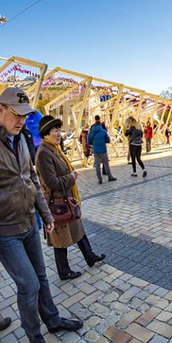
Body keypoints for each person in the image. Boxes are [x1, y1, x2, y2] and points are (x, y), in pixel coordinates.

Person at [0, 87, 83, 343]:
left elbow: (32, 179)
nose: (21, 120)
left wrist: (46, 215)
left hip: (29, 223)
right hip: (4, 232)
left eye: (25, 115)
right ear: (0, 110)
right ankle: (34, 334)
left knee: (41, 277)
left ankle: (52, 319)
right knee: (29, 285)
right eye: (16, 114)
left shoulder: (22, 138)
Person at [35, 116, 106, 280]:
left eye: (59, 130)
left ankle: (90, 257)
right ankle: (64, 271)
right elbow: (51, 182)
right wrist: (71, 178)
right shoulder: (43, 153)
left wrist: (69, 177)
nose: (58, 134)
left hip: (66, 199)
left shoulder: (54, 149)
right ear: (45, 134)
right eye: (55, 131)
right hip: (57, 203)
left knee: (78, 229)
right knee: (60, 239)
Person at [87, 115, 117, 184]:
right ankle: (110, 177)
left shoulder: (91, 132)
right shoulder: (103, 131)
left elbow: (89, 142)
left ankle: (100, 179)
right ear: (100, 125)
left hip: (95, 150)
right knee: (106, 164)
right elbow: (108, 140)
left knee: (97, 165)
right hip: (103, 150)